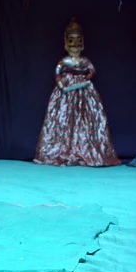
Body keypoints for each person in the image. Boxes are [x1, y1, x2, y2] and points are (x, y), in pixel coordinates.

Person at [34, 17, 120, 166]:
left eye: (78, 41)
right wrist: (61, 85)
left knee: (88, 120)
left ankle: (86, 148)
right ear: (66, 42)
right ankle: (62, 150)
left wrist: (86, 79)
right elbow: (57, 72)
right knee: (63, 119)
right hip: (66, 93)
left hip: (85, 92)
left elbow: (92, 70)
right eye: (72, 41)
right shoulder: (65, 61)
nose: (75, 46)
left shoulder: (84, 61)